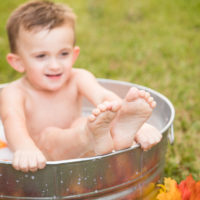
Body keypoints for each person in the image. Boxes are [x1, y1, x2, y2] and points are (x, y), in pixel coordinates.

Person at [0, 0, 162, 172]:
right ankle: (91, 136)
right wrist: (25, 148)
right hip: (41, 152)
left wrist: (139, 126)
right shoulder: (14, 92)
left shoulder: (78, 77)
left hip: (80, 145)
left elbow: (104, 99)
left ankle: (122, 134)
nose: (55, 65)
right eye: (41, 56)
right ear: (18, 62)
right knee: (50, 135)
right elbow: (13, 122)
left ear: (74, 54)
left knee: (86, 122)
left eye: (63, 53)